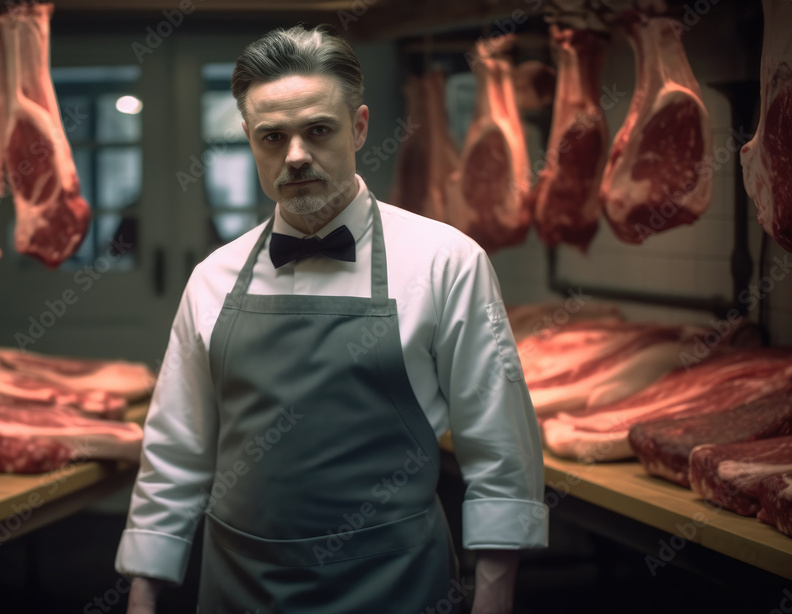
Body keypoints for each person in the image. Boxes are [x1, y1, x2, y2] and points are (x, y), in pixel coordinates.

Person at [117, 24, 548, 614]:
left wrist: (493, 597)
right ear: (248, 139)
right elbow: (177, 451)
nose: (295, 156)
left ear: (360, 127)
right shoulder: (212, 278)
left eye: (318, 130)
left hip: (395, 582)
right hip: (239, 582)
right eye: (273, 137)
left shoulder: (446, 261)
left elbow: (499, 448)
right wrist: (144, 593)